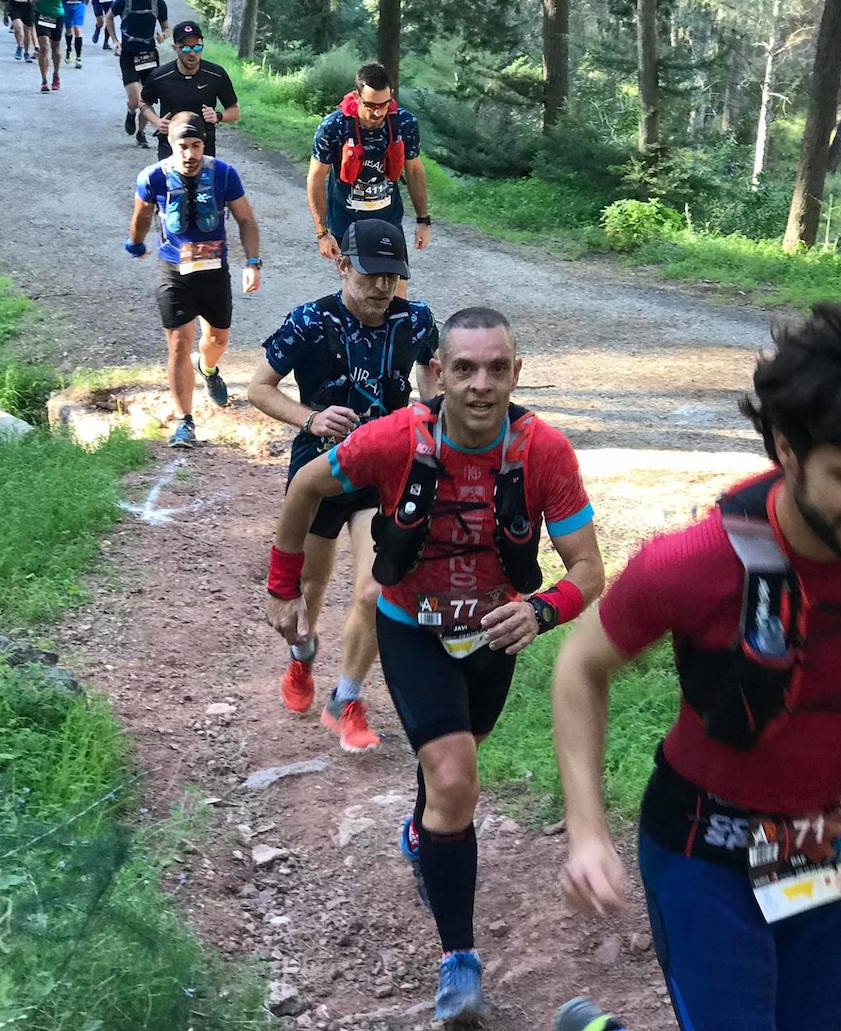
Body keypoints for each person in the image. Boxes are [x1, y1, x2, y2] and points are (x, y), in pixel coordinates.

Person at [552, 304, 841, 1031]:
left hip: (814, 843)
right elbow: (579, 665)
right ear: (786, 448)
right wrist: (587, 829)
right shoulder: (694, 564)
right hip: (700, 847)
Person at [265, 307, 603, 1023]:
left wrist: (541, 610)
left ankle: (423, 837)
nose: (481, 385)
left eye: (497, 369)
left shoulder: (544, 452)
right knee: (454, 776)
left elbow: (587, 569)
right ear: (439, 374)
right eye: (465, 368)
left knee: (451, 779)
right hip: (411, 627)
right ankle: (460, 962)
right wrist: (281, 587)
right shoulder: (393, 439)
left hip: (493, 636)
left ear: (517, 373)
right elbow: (303, 490)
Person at [249, 219, 439, 753]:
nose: (381, 287)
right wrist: (309, 418)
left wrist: (427, 409)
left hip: (384, 473)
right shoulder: (309, 321)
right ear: (342, 265)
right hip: (320, 475)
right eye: (371, 273)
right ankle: (301, 661)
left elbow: (430, 369)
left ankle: (347, 698)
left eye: (392, 276)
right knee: (308, 591)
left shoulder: (415, 318)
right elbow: (259, 389)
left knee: (376, 588)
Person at [124, 113, 261, 449]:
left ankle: (209, 369)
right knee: (179, 342)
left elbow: (246, 220)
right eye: (183, 146)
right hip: (174, 270)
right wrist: (136, 243)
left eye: (196, 145)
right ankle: (185, 421)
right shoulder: (153, 177)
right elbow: (141, 215)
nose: (190, 153)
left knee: (216, 341)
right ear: (171, 146)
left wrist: (253, 262)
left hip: (214, 271)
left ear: (204, 144)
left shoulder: (224, 174)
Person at [308, 62, 430, 299]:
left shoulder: (405, 123)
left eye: (384, 105)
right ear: (356, 96)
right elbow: (315, 179)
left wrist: (423, 220)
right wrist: (322, 233)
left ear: (391, 96)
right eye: (371, 105)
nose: (378, 112)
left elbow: (414, 170)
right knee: (359, 296)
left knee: (397, 293)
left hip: (388, 221)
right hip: (347, 224)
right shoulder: (333, 127)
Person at [139, 20, 239, 161]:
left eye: (197, 47)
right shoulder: (160, 76)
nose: (192, 53)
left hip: (204, 151)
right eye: (185, 48)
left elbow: (234, 111)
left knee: (202, 184)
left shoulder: (216, 74)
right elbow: (143, 102)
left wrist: (218, 116)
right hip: (170, 150)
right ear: (175, 48)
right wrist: (157, 121)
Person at [113, 0, 168, 147]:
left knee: (147, 99)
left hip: (149, 56)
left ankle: (141, 133)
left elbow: (166, 27)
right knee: (135, 100)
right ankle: (131, 112)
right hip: (129, 55)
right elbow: (108, 17)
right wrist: (115, 40)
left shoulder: (158, 3)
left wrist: (163, 35)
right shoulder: (123, 2)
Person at [33, 0, 65, 92]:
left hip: (57, 15)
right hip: (42, 15)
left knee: (55, 47)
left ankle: (56, 74)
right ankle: (44, 80)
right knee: (44, 46)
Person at [63, 0, 86, 67]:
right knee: (68, 30)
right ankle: (69, 48)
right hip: (66, 5)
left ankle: (78, 58)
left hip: (79, 5)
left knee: (77, 29)